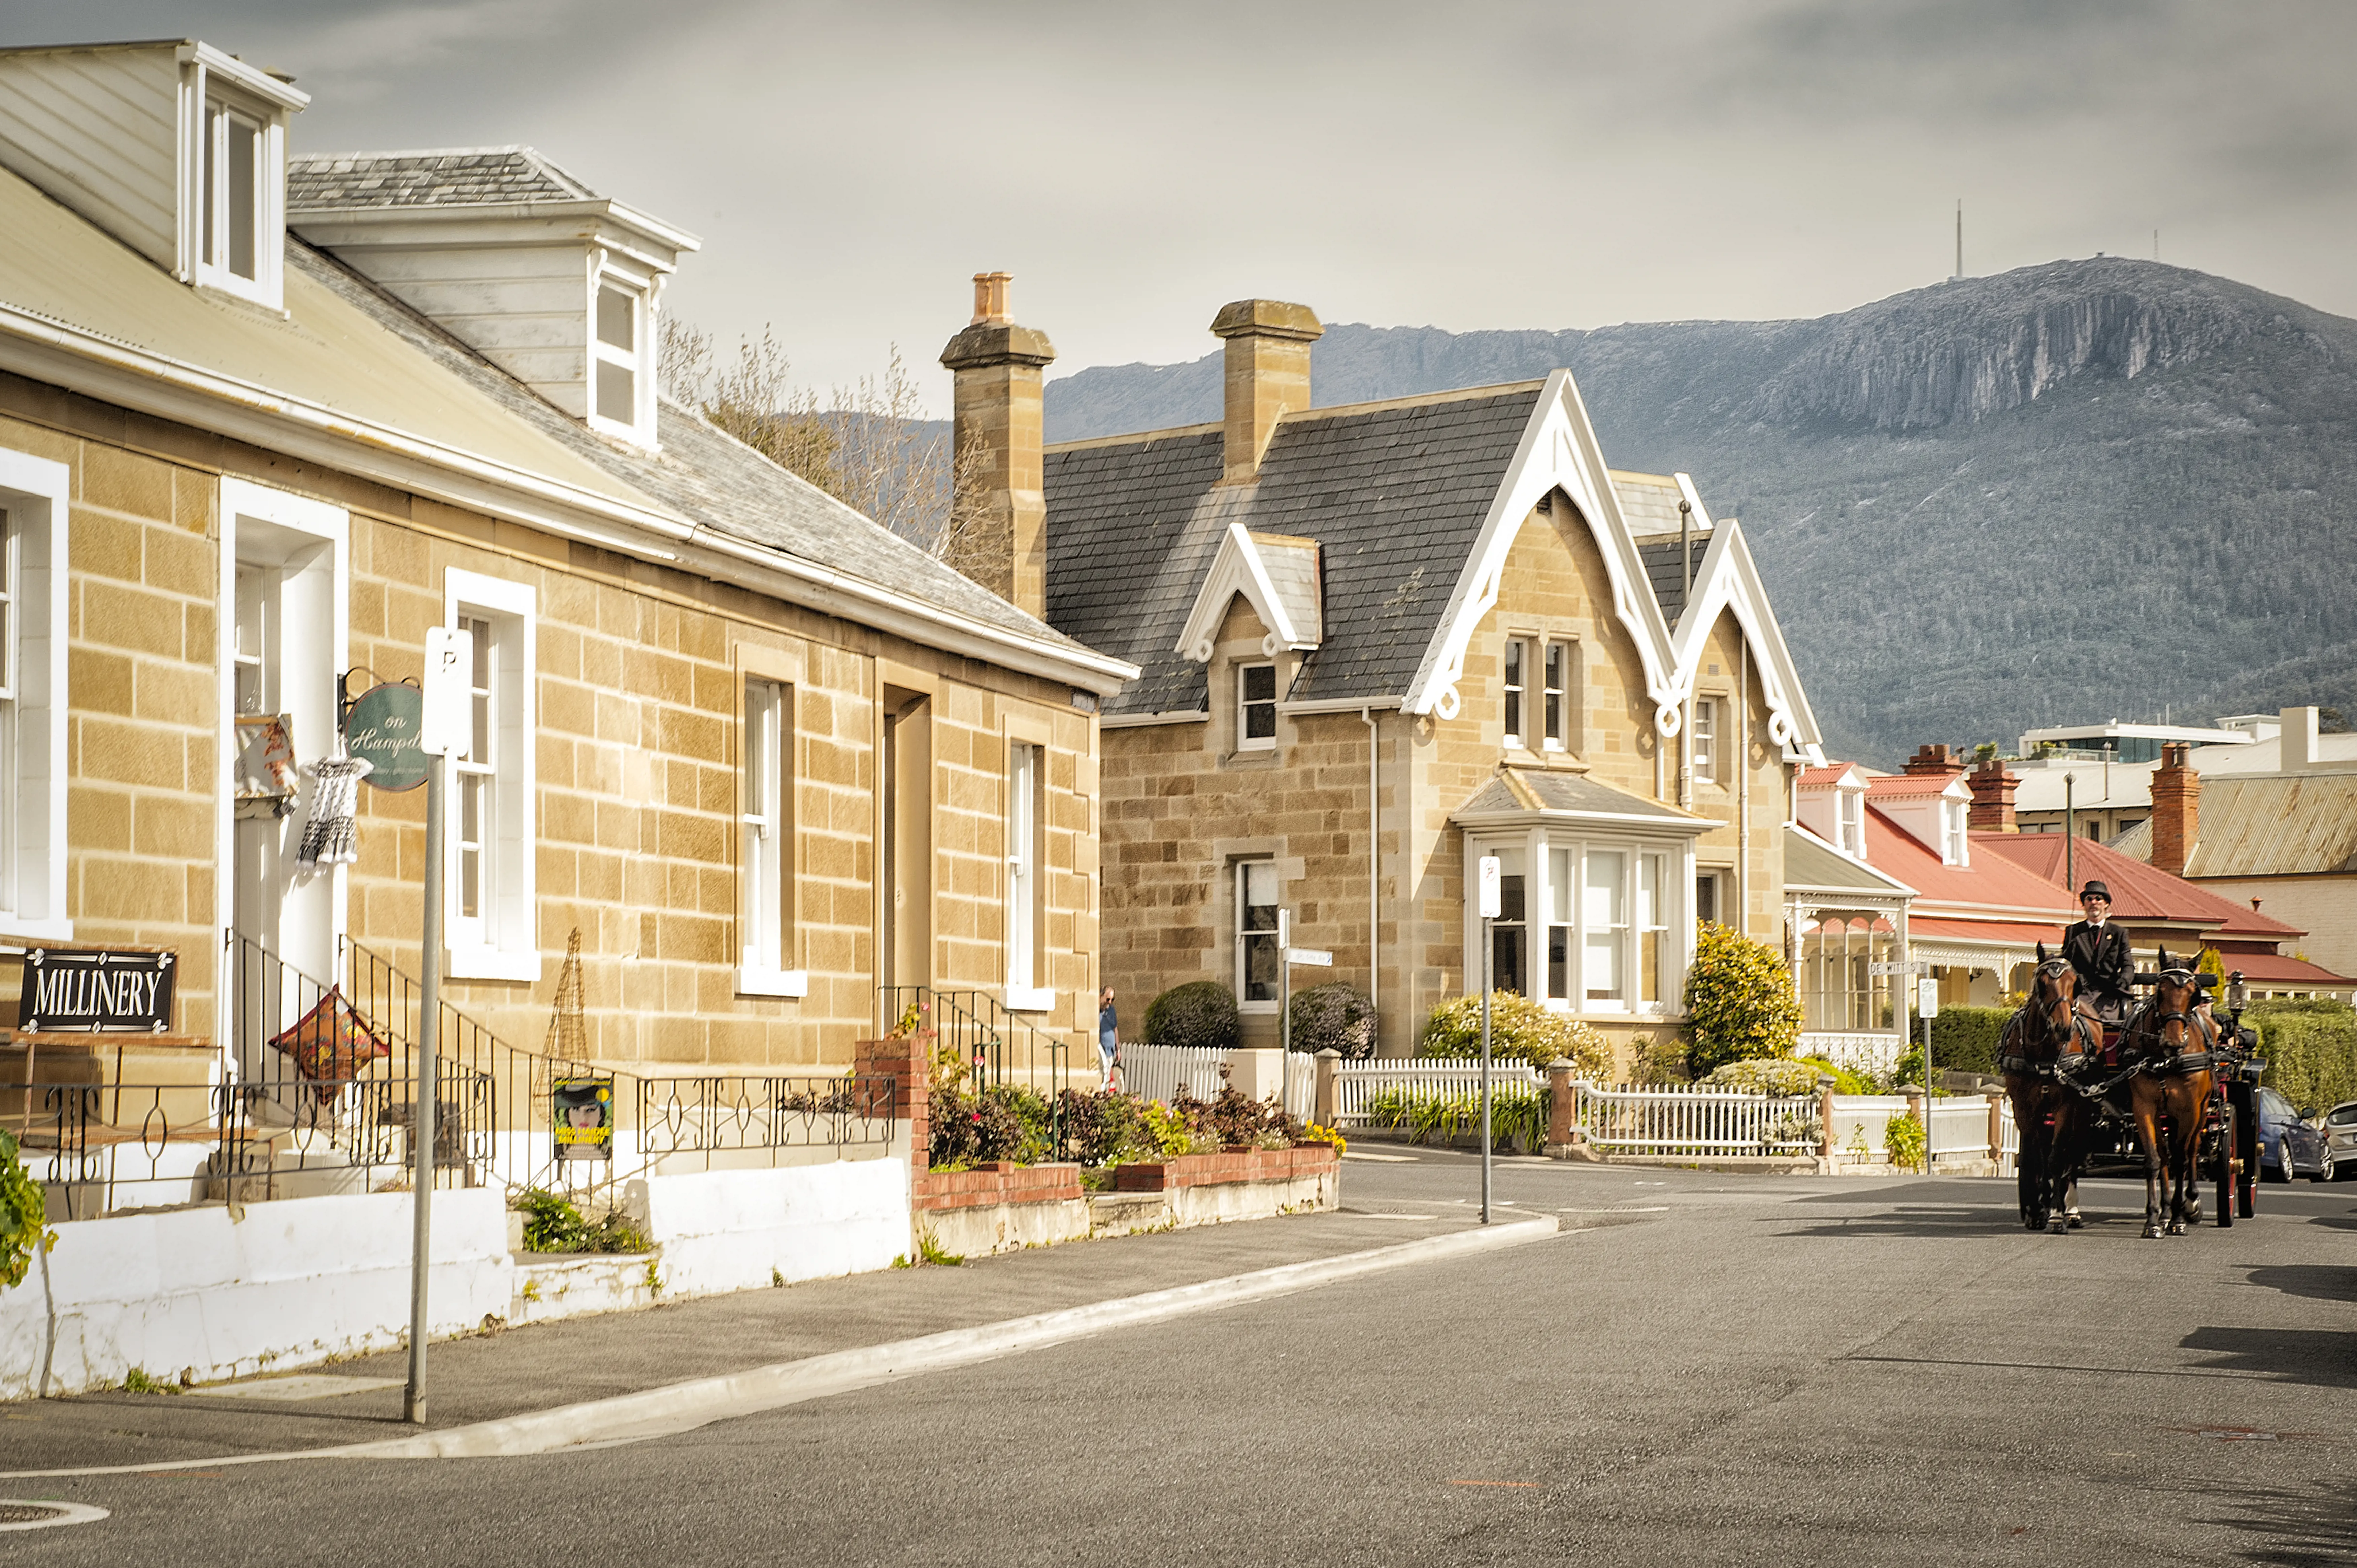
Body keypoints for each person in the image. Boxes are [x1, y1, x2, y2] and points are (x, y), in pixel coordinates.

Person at [2061, 880, 2135, 1026]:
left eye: (2098, 899)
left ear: (2106, 904)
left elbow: (2128, 965)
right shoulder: (2073, 932)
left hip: (2110, 995)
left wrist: (2124, 980)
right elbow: (2066, 963)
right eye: (2089, 899)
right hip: (2081, 993)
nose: (2094, 903)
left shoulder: (2119, 933)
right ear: (2084, 904)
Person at [1097, 985, 1119, 1091]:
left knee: (1108, 1074)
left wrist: (1118, 1049)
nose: (1110, 1002)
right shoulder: (1096, 1011)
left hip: (1110, 1049)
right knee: (1103, 1072)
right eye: (1108, 999)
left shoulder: (1112, 1011)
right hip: (1101, 1047)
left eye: (1112, 1000)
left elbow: (1115, 1029)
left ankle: (1106, 1095)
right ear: (1101, 997)